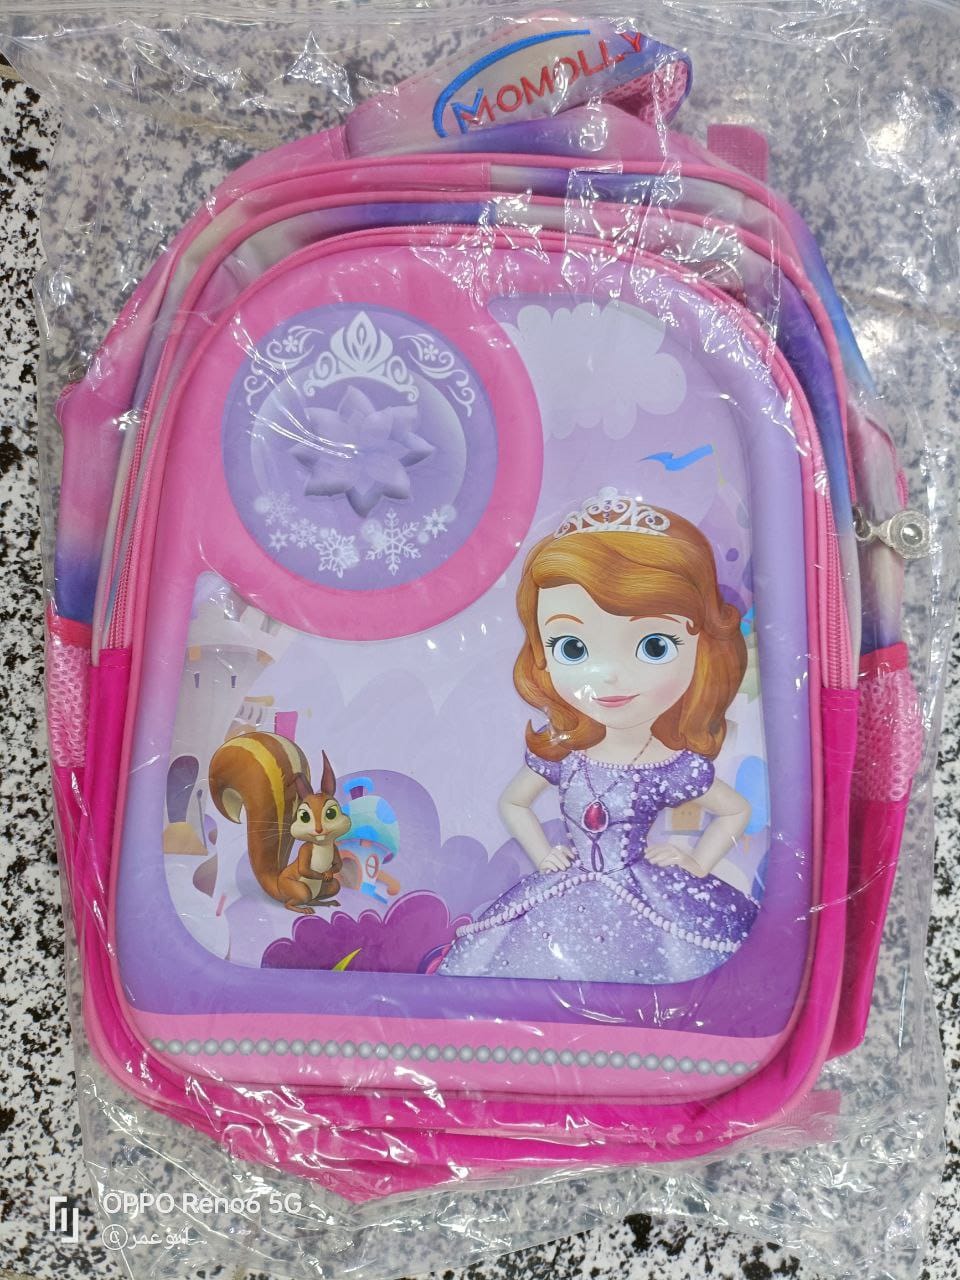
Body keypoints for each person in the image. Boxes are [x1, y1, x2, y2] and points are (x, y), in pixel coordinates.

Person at [439, 488, 756, 985]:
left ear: (703, 647)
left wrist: (696, 863)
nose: (609, 675)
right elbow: (513, 803)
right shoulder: (566, 753)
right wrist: (543, 855)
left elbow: (734, 810)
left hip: (646, 895)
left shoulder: (669, 764)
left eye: (655, 646)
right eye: (572, 647)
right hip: (564, 893)